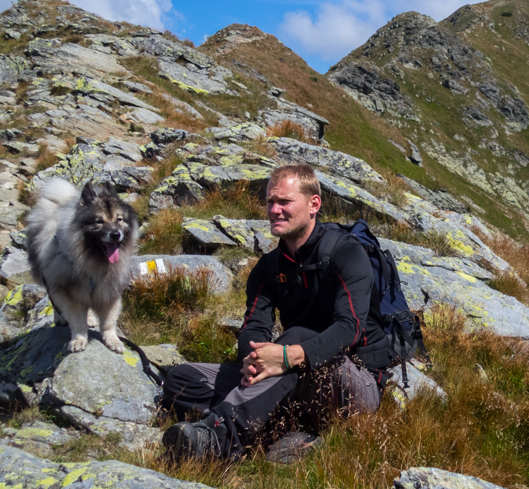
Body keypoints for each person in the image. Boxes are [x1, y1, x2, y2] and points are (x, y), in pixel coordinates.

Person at [160, 163, 388, 460]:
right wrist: (253, 359)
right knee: (180, 379)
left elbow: (349, 328)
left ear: (313, 204)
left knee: (296, 336)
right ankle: (278, 427)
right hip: (290, 374)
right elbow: (254, 327)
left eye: (285, 202)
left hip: (354, 381)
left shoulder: (347, 253)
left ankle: (216, 441)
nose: (274, 210)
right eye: (270, 202)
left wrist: (288, 356)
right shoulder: (267, 268)